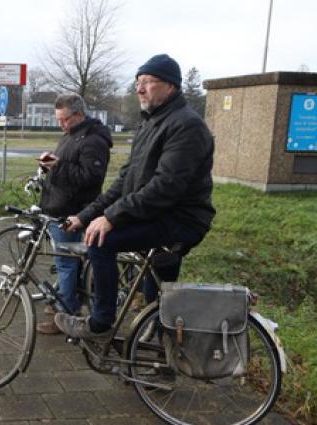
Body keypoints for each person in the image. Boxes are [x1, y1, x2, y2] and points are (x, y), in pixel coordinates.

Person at [54, 54, 216, 340]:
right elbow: (123, 183)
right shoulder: (150, 124)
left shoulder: (186, 125)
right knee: (157, 298)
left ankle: (100, 324)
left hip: (180, 219)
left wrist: (111, 218)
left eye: (148, 82)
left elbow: (165, 186)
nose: (139, 89)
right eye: (138, 82)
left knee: (101, 243)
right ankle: (156, 354)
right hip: (158, 214)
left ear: (171, 86)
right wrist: (85, 216)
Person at [35, 94, 112, 335]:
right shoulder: (72, 135)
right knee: (67, 263)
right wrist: (50, 164)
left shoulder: (93, 141)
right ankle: (65, 301)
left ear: (78, 115)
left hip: (73, 211)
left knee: (66, 263)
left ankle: (66, 313)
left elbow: (90, 178)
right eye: (58, 120)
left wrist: (58, 166)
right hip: (60, 206)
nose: (61, 125)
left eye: (64, 120)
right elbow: (68, 166)